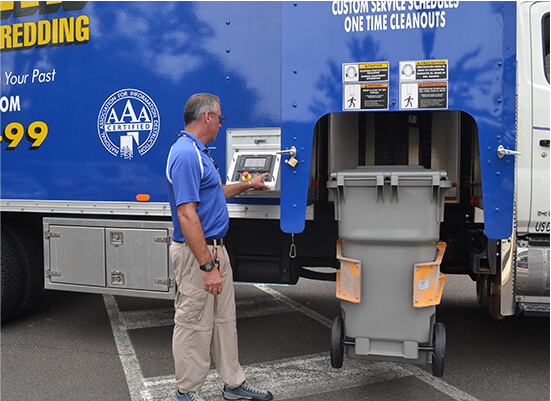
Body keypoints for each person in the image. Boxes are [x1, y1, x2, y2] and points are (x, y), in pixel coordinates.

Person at [166, 93, 273, 401]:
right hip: (198, 254)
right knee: (193, 324)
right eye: (220, 118)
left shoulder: (200, 153)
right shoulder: (185, 154)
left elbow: (216, 193)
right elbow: (187, 215)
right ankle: (186, 393)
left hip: (215, 250)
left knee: (223, 322)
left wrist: (247, 185)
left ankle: (233, 384)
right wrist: (206, 266)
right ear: (207, 118)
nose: (221, 125)